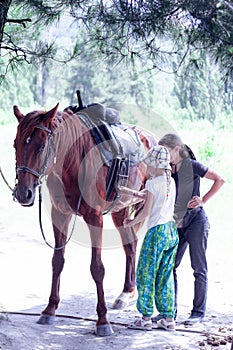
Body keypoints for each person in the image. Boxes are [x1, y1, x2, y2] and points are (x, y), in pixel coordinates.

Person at [152, 133, 225, 325]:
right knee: (169, 266)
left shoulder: (191, 165)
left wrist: (203, 200)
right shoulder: (168, 170)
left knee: (198, 268)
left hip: (196, 223)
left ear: (176, 149)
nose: (164, 155)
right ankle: (170, 312)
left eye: (166, 150)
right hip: (176, 224)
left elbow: (220, 180)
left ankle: (198, 313)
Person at [120, 145, 179, 331]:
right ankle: (168, 318)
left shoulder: (152, 183)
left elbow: (145, 212)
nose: (148, 168)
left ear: (155, 165)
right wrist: (133, 193)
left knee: (146, 273)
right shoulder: (170, 181)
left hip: (156, 233)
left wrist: (130, 222)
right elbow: (152, 198)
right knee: (165, 275)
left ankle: (145, 318)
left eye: (149, 165)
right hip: (171, 231)